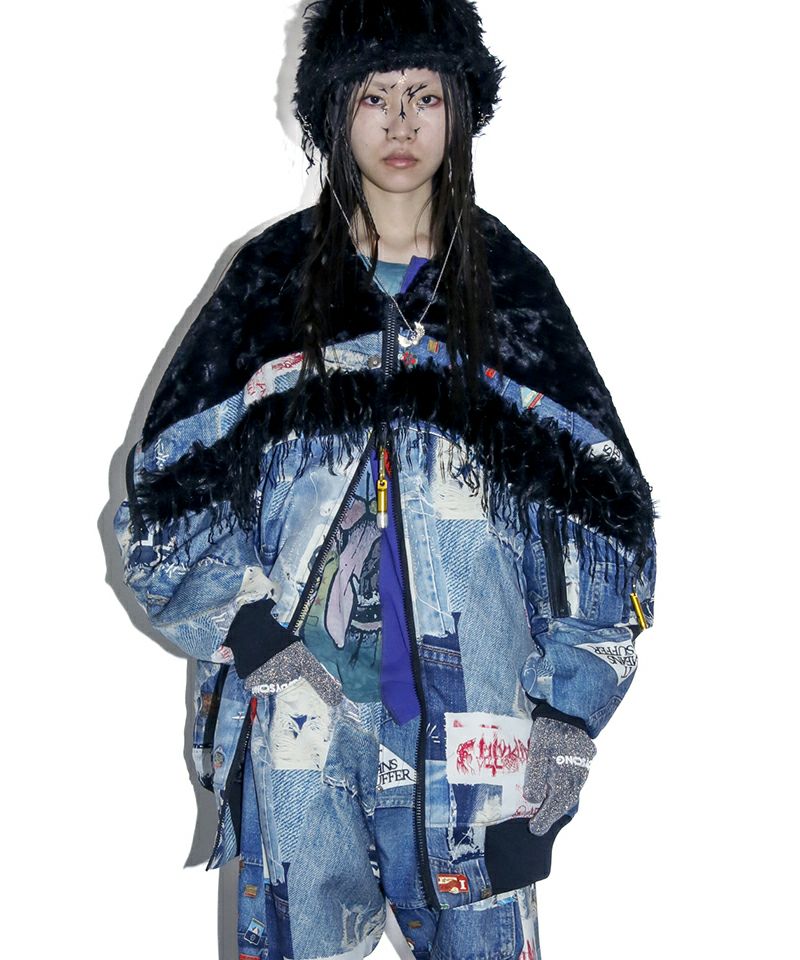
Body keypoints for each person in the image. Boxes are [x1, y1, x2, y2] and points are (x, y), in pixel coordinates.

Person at [112, 2, 658, 958]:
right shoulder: (272, 283)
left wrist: (567, 715)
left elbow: (607, 523)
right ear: (335, 108)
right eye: (375, 97)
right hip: (301, 725)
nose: (401, 123)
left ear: (460, 109)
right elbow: (164, 496)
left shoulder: (507, 289)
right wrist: (252, 632)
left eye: (424, 96)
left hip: (479, 739)